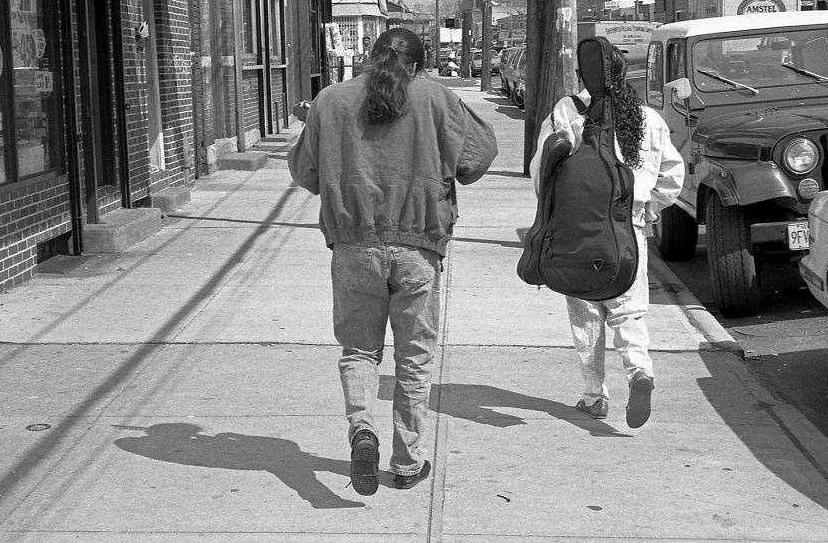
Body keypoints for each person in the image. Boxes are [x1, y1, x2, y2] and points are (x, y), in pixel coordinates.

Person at [288, 28, 497, 495]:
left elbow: (306, 172)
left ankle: (363, 430)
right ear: (419, 65)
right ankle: (406, 461)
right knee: (415, 357)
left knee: (359, 351)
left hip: (353, 247)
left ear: (370, 57)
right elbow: (477, 159)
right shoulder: (436, 98)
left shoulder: (331, 100)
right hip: (419, 247)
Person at [529, 39, 684, 429]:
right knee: (627, 307)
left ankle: (594, 395)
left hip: (576, 226)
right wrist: (648, 210)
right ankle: (639, 371)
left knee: (585, 310)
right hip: (627, 226)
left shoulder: (570, 111)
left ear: (584, 75)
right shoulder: (648, 119)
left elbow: (541, 172)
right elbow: (672, 176)